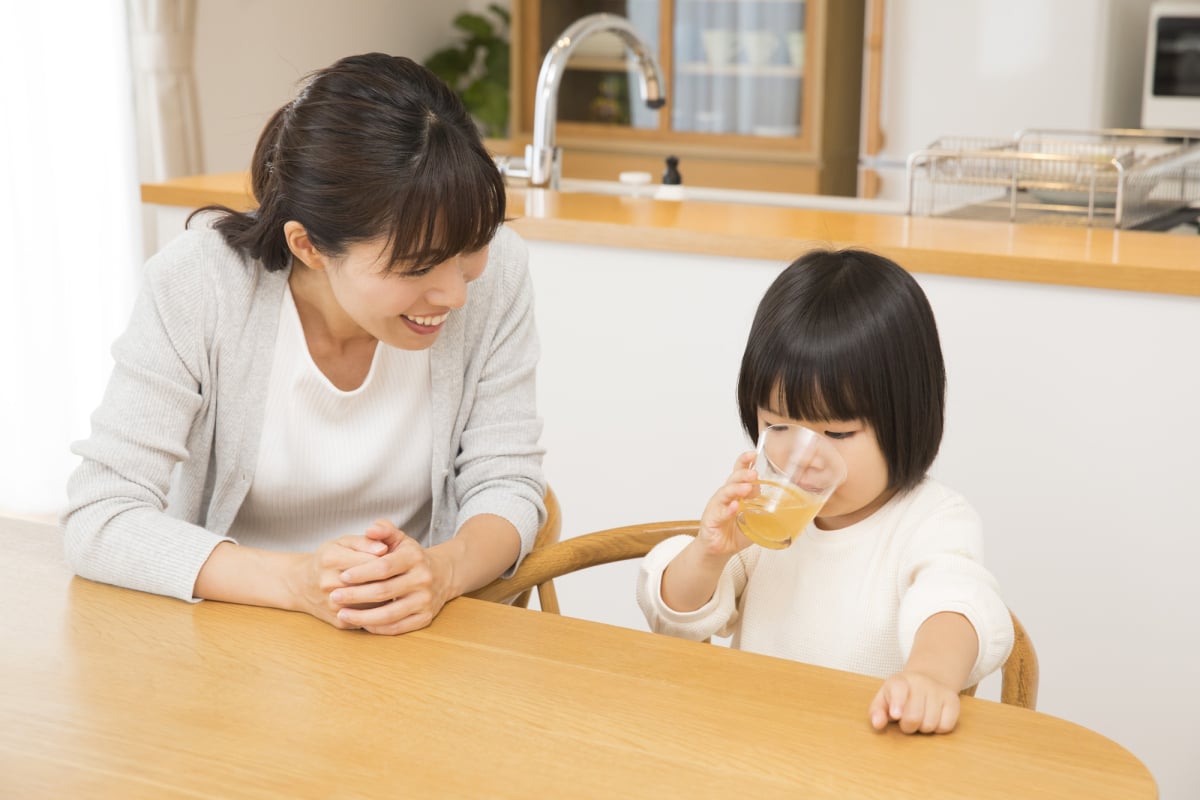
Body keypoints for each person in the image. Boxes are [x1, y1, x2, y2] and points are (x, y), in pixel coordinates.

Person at [63, 53, 545, 636]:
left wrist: (440, 572)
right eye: (417, 267)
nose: (455, 294)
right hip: (227, 637)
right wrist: (296, 582)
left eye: (469, 252)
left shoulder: (498, 274)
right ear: (309, 246)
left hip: (414, 644)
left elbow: (508, 482)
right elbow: (102, 514)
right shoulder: (200, 284)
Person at [637, 248, 1014, 734]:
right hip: (755, 743)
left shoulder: (931, 520)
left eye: (836, 434)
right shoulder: (766, 511)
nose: (805, 454)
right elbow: (675, 621)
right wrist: (708, 555)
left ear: (907, 419)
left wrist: (929, 675)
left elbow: (955, 602)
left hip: (867, 758)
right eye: (777, 424)